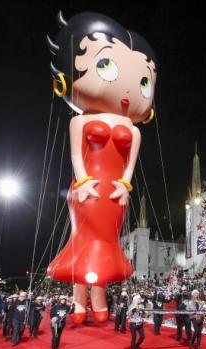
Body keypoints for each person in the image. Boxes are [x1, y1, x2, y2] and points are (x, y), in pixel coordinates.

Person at [46, 11, 158, 324]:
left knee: (108, 242)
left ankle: (98, 298)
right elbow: (76, 158)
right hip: (87, 189)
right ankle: (80, 302)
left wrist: (125, 184)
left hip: (115, 193)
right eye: (105, 65)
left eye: (144, 82)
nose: (128, 92)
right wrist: (82, 181)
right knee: (83, 240)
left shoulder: (133, 130)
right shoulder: (80, 120)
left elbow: (130, 164)